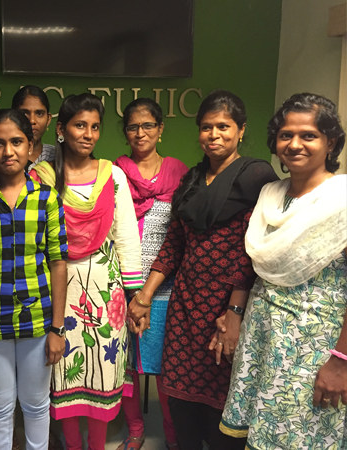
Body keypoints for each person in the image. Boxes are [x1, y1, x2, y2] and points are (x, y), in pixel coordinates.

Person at [127, 90, 278, 450]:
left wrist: (235, 312)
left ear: (241, 129)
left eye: (223, 126)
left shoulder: (257, 177)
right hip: (185, 306)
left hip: (228, 309)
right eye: (207, 127)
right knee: (180, 402)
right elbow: (174, 244)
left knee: (223, 406)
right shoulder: (192, 180)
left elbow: (253, 253)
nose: (214, 135)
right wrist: (145, 296)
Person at [216, 93, 347, 449]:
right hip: (263, 338)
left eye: (309, 135)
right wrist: (235, 313)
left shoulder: (341, 200)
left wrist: (341, 362)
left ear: (331, 142)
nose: (295, 144)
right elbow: (254, 267)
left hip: (316, 349)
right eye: (286, 135)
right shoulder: (271, 195)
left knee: (303, 435)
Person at [31, 93, 143, 450]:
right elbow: (33, 238)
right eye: (80, 125)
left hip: (105, 291)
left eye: (95, 127)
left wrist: (135, 296)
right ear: (61, 129)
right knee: (63, 371)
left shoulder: (113, 176)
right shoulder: (41, 177)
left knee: (102, 371)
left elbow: (126, 236)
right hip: (59, 290)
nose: (89, 134)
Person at [0, 109, 68, 450]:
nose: (8, 151)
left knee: (36, 406)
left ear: (30, 146)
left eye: (17, 142)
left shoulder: (47, 199)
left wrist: (58, 329)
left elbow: (58, 264)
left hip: (39, 321)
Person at [114, 98, 188, 450]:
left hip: (163, 287)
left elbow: (181, 236)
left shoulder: (179, 173)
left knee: (164, 367)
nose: (140, 133)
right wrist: (129, 291)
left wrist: (149, 291)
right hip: (122, 286)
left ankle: (173, 437)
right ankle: (135, 430)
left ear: (160, 129)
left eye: (147, 125)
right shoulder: (115, 172)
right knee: (125, 366)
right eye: (133, 126)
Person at [11, 85, 55, 171]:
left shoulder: (57, 156)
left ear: (48, 119)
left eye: (39, 113)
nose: (32, 120)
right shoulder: (5, 156)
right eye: (25, 113)